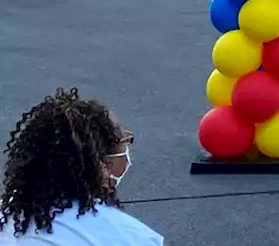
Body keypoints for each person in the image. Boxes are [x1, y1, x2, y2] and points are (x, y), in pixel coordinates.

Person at [0, 87, 162, 244]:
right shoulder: (133, 237)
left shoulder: (10, 211)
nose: (127, 150)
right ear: (100, 164)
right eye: (123, 141)